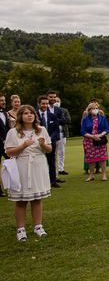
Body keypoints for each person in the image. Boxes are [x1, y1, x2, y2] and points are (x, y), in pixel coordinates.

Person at [4, 105, 52, 241]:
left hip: (38, 165)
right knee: (21, 199)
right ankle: (20, 229)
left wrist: (43, 145)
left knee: (37, 199)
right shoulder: (13, 132)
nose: (29, 115)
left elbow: (49, 149)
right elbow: (9, 152)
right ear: (20, 116)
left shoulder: (41, 130)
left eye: (31, 113)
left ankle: (38, 226)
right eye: (25, 113)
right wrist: (23, 145)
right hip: (22, 166)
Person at [37, 95, 62, 188]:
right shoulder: (35, 115)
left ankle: (53, 181)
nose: (45, 105)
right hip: (38, 143)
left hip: (50, 142)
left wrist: (51, 138)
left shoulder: (52, 116)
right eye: (43, 103)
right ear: (38, 104)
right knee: (39, 162)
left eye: (46, 104)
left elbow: (56, 130)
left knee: (51, 161)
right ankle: (40, 181)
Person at [81, 102, 109, 181]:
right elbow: (83, 131)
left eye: (97, 108)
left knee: (102, 158)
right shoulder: (85, 119)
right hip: (89, 141)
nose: (95, 110)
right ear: (89, 110)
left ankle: (104, 174)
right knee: (91, 159)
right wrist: (93, 136)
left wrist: (100, 135)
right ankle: (91, 175)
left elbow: (107, 129)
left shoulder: (102, 118)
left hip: (100, 140)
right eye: (93, 108)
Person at [46, 91, 67, 183]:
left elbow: (63, 120)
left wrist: (53, 120)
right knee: (46, 157)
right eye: (51, 97)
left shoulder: (58, 109)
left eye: (54, 97)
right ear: (47, 97)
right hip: (45, 135)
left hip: (55, 135)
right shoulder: (43, 108)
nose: (53, 99)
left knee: (54, 156)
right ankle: (47, 177)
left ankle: (55, 177)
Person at [54, 98, 71, 176]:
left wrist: (56, 120)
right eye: (55, 101)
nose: (56, 103)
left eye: (58, 101)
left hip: (62, 133)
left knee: (61, 152)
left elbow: (67, 120)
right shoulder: (49, 110)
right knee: (53, 152)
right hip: (53, 133)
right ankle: (53, 169)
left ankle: (61, 168)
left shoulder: (64, 110)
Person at [0, 94, 8, 197]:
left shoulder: (5, 113)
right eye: (1, 100)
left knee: (12, 164)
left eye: (4, 100)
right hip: (1, 143)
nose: (3, 102)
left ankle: (12, 186)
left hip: (6, 145)